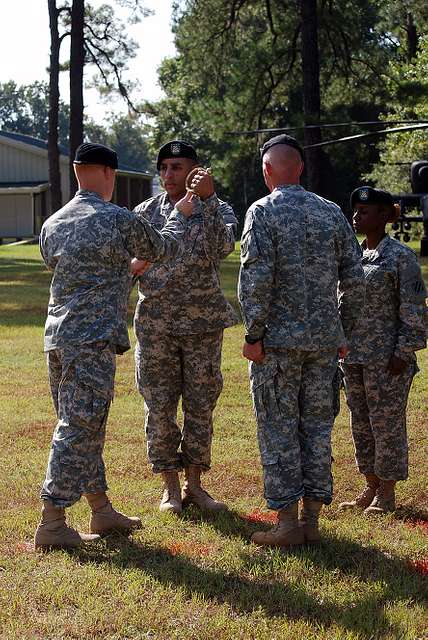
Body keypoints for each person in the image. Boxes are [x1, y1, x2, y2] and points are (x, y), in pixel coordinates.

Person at [34, 142, 194, 550]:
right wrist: (180, 215)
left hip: (58, 338)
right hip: (92, 340)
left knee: (84, 424)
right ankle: (52, 519)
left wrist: (123, 272)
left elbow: (74, 268)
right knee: (79, 426)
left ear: (76, 172)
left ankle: (101, 509)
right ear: (110, 174)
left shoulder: (53, 223)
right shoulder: (117, 219)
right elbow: (166, 247)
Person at [238, 134, 365, 547]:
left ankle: (288, 524)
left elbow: (256, 281)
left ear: (267, 171)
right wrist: (342, 330)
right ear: (301, 168)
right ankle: (311, 520)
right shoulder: (330, 212)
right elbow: (354, 280)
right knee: (316, 428)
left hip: (278, 345)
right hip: (324, 344)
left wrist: (253, 334)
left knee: (278, 429)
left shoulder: (263, 211)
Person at [131, 140, 238, 514]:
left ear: (197, 171)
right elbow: (130, 263)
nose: (168, 174)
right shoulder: (144, 212)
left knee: (200, 407)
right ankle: (170, 488)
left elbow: (222, 247)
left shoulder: (218, 209)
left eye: (177, 167)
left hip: (202, 325)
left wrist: (206, 204)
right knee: (159, 407)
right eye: (163, 168)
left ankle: (195, 485)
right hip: (156, 326)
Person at [339, 186, 427, 515]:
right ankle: (371, 484)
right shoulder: (353, 256)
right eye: (355, 211)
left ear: (383, 216)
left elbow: (415, 307)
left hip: (387, 359)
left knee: (386, 424)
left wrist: (403, 352)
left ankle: (387, 493)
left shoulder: (400, 256)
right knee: (361, 424)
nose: (357, 217)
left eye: (364, 212)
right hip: (354, 357)